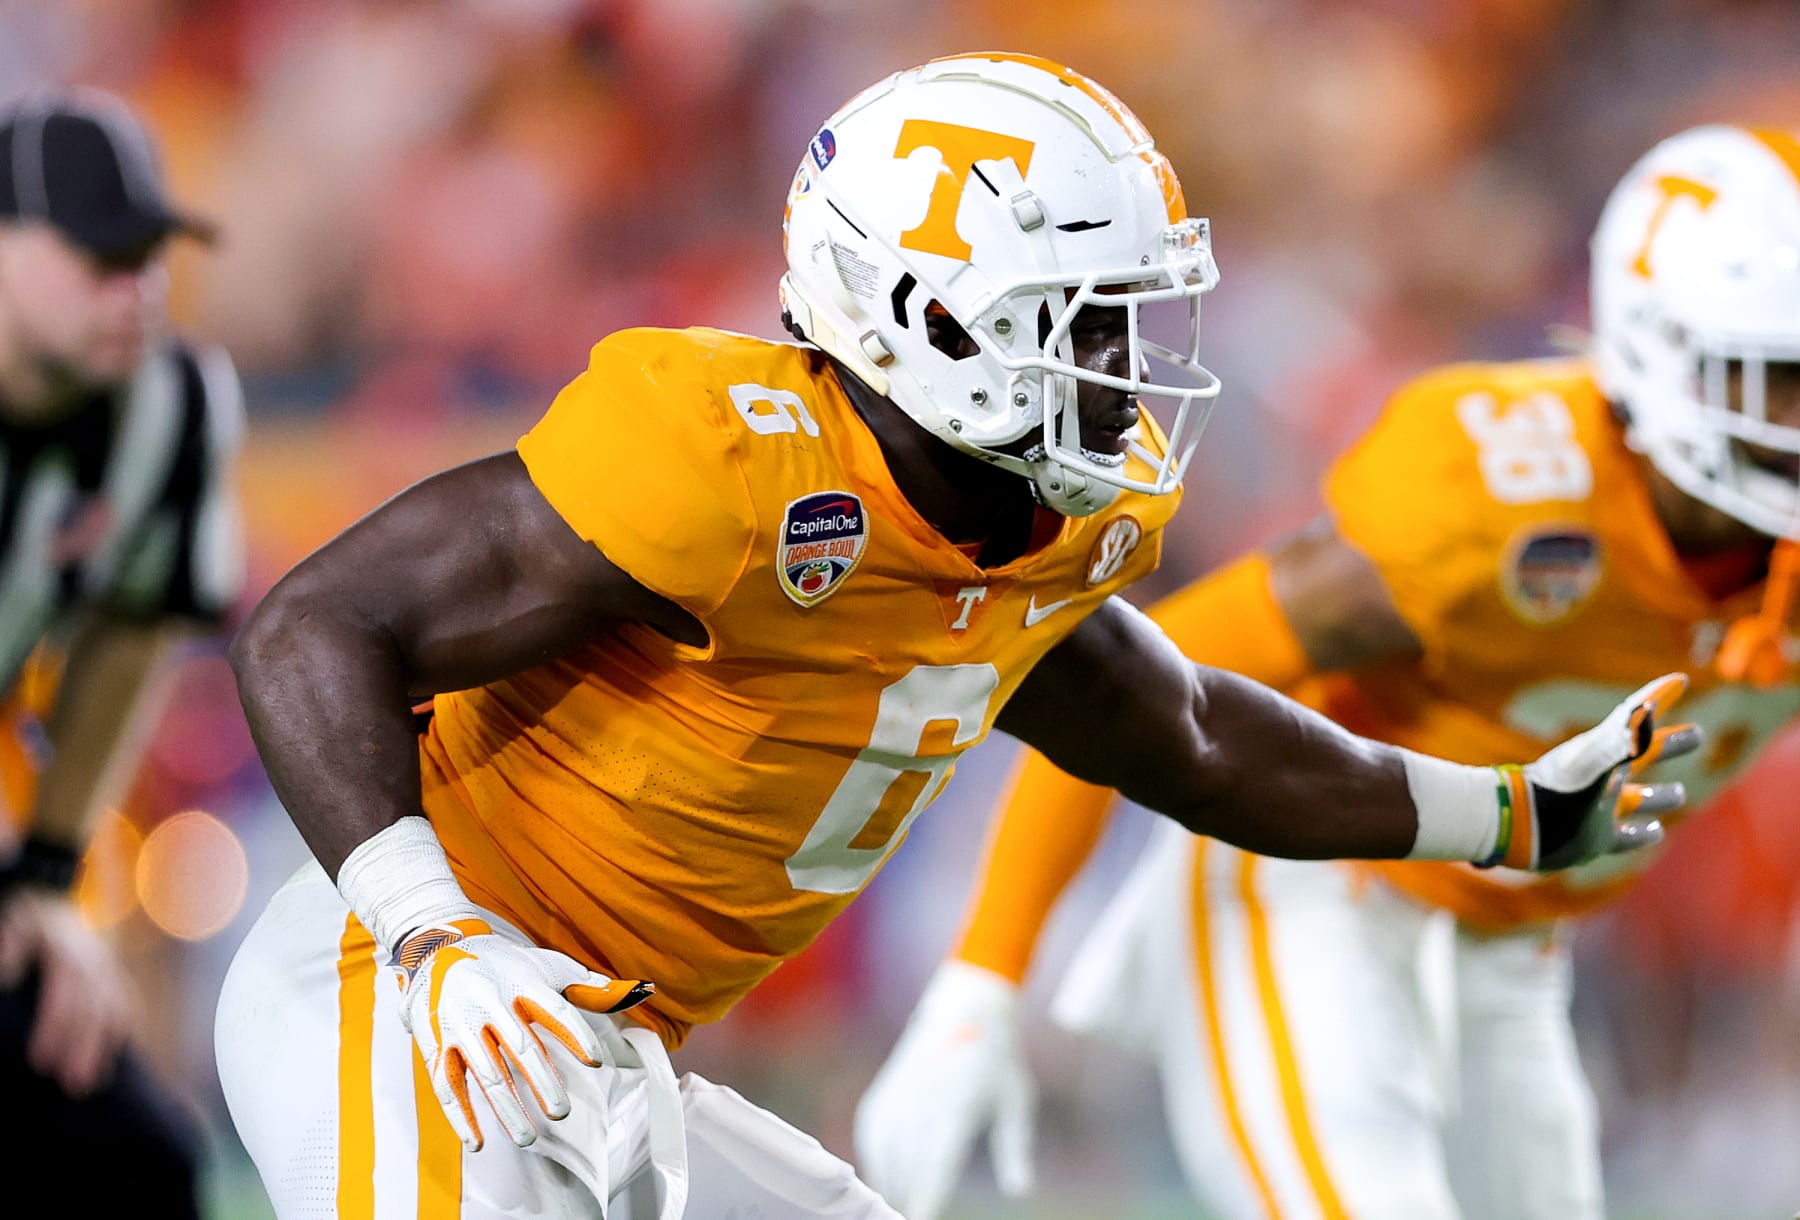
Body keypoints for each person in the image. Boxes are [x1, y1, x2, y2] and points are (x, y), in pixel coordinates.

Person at [215, 55, 1693, 1220]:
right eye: (1085, 323)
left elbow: (1189, 735)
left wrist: (1507, 814)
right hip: (405, 996)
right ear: (920, 315)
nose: (1126, 370)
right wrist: (435, 929)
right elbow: (316, 622)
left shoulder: (1035, 534)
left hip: (592, 1051)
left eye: (1130, 322)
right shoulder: (724, 462)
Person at [853, 124, 1800, 1220]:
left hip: (1514, 950)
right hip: (1319, 888)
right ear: (1665, 355)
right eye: (1784, 378)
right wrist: (983, 979)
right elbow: (1131, 694)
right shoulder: (1507, 493)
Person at [0, 90, 244, 1219]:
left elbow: (133, 631)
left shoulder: (171, 407)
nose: (136, 289)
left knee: (135, 1157)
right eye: (101, 257)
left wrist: (47, 879)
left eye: (148, 257)